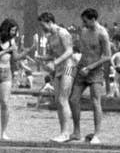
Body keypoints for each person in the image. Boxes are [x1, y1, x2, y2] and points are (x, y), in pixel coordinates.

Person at [70, 8, 111, 144]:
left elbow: (107, 56)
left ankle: (97, 134)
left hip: (96, 71)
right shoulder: (83, 32)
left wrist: (91, 67)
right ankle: (76, 131)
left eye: (85, 21)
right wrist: (78, 68)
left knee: (95, 101)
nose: (84, 24)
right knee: (73, 99)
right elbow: (84, 52)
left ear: (93, 19)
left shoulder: (102, 34)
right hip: (83, 69)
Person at [39, 11, 76, 142]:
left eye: (43, 25)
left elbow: (69, 51)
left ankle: (66, 133)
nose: (42, 28)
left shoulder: (63, 32)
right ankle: (62, 132)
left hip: (68, 67)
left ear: (49, 22)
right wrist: (42, 58)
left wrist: (55, 62)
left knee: (63, 99)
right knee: (58, 101)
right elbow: (51, 54)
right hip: (59, 69)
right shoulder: (50, 37)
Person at [0, 17, 19, 140]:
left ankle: (3, 132)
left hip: (6, 73)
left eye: (15, 31)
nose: (14, 33)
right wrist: (7, 50)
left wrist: (29, 50)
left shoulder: (13, 42)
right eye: (12, 30)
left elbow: (15, 58)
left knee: (5, 103)